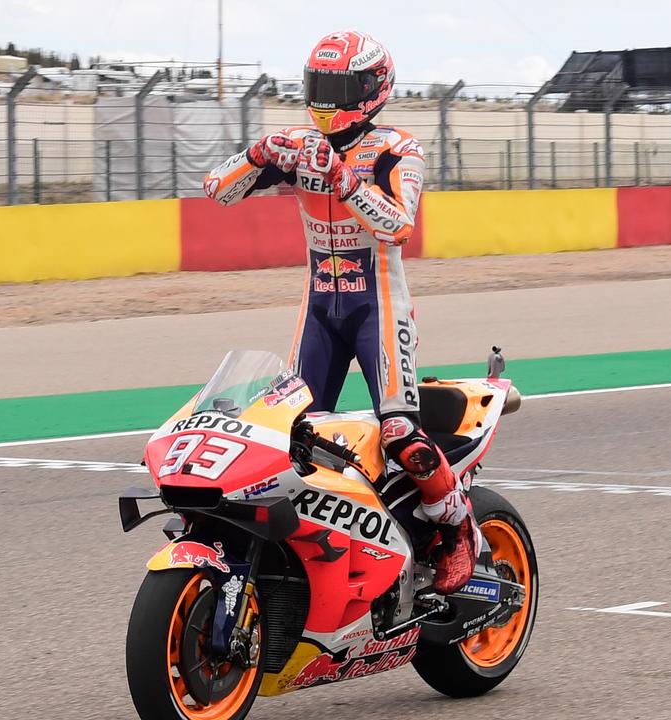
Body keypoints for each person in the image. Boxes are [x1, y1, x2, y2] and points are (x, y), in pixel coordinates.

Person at [202, 30, 478, 594]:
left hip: (378, 305)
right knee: (291, 434)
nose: (324, 97)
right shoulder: (303, 147)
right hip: (319, 307)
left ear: (372, 89)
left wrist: (341, 177)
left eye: (337, 85)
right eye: (317, 84)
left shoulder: (399, 148)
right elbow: (217, 190)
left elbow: (398, 225)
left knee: (400, 430)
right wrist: (259, 153)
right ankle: (315, 548)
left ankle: (457, 530)